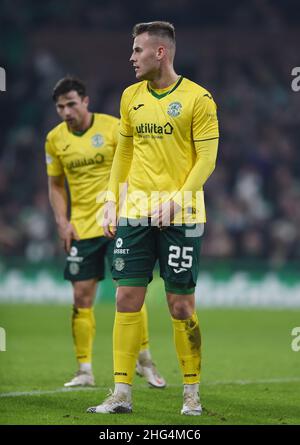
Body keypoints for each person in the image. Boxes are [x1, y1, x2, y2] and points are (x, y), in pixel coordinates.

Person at [87, 21, 219, 415]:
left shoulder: (199, 99)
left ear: (160, 52)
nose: (131, 58)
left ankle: (191, 392)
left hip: (183, 215)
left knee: (180, 305)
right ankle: (121, 392)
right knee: (126, 298)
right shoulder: (130, 97)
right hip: (136, 213)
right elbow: (123, 154)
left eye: (138, 51)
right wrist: (111, 198)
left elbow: (207, 159)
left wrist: (178, 200)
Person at [45, 76, 166, 389]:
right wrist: (62, 220)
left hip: (118, 221)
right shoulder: (55, 140)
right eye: (60, 107)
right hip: (82, 227)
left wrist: (126, 206)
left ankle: (145, 360)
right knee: (81, 295)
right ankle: (84, 370)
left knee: (128, 291)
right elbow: (56, 183)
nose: (66, 111)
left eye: (71, 103)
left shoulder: (113, 128)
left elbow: (134, 166)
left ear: (85, 101)